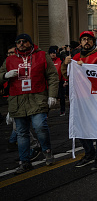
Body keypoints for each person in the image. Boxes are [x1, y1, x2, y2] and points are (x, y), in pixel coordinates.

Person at [1, 34, 58, 174]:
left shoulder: (42, 56)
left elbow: (52, 75)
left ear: (30, 43)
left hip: (37, 98)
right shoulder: (9, 59)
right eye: (18, 42)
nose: (21, 44)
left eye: (24, 41)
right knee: (21, 133)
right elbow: (0, 75)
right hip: (17, 101)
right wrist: (5, 75)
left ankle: (47, 152)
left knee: (40, 126)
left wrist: (52, 95)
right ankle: (25, 162)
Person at [62, 31, 97, 169]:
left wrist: (85, 69)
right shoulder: (76, 57)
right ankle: (89, 152)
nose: (86, 41)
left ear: (93, 41)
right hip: (81, 98)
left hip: (96, 97)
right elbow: (66, 75)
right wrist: (66, 64)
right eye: (83, 39)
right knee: (80, 125)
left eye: (89, 39)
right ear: (80, 42)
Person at [48, 46, 66, 116]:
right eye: (51, 53)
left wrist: (65, 81)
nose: (53, 54)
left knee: (62, 97)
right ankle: (47, 112)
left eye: (54, 53)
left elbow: (63, 71)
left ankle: (62, 110)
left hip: (59, 82)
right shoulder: (47, 62)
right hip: (50, 82)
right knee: (49, 98)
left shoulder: (60, 61)